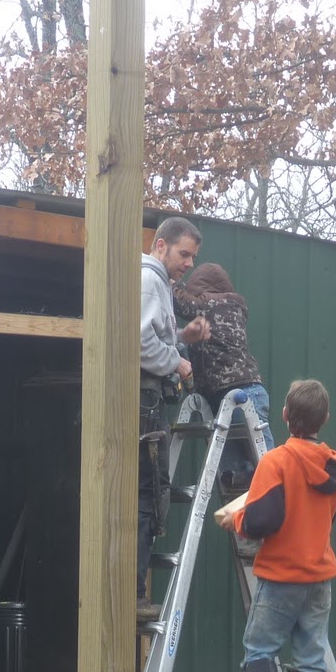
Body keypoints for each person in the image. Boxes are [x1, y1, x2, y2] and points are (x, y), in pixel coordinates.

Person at [223, 379, 336, 672]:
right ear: (324, 419)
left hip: (281, 577)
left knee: (258, 650)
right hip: (319, 577)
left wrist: (234, 519)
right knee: (311, 657)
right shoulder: (333, 466)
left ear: (284, 416)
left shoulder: (275, 462)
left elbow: (262, 521)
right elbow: (326, 518)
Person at [137, 217, 209, 622]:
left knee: (149, 492)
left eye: (193, 257)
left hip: (149, 397)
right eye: (184, 254)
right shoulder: (150, 280)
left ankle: (135, 589)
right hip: (146, 398)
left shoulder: (156, 283)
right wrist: (179, 363)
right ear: (160, 246)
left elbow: (155, 333)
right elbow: (141, 342)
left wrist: (184, 336)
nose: (188, 263)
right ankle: (134, 592)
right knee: (149, 492)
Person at [173, 263, 274, 499]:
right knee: (239, 475)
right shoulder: (227, 308)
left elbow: (182, 302)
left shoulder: (216, 304)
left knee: (271, 470)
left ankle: (286, 512)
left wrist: (168, 277)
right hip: (227, 398)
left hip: (242, 395)